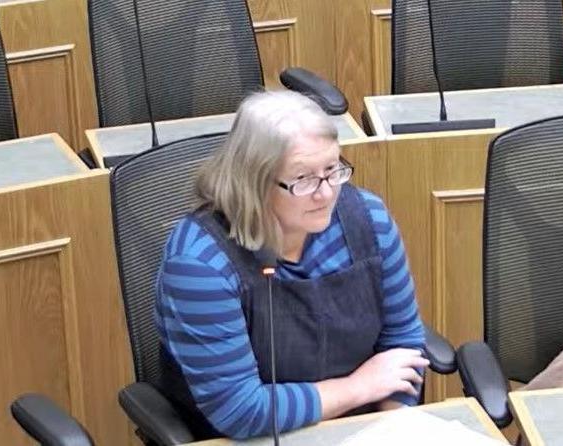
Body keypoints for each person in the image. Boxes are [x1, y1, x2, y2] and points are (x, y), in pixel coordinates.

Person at [155, 90, 428, 440]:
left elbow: (402, 343)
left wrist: (392, 431)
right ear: (253, 181)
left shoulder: (370, 220)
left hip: (363, 430)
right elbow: (240, 410)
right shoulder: (199, 263)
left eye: (332, 170)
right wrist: (359, 388)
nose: (326, 193)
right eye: (304, 179)